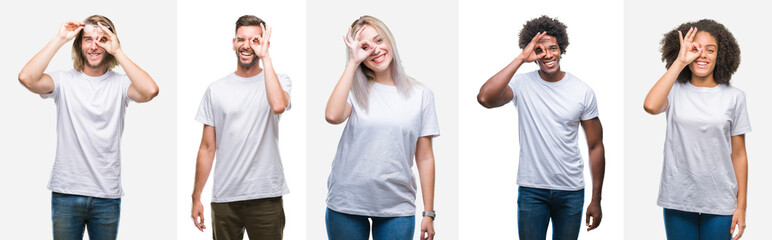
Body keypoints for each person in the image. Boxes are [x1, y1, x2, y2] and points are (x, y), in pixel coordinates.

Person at [17, 15, 159, 240]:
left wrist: (118, 52)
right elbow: (26, 77)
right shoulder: (64, 81)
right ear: (79, 44)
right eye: (88, 39)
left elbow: (150, 91)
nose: (94, 46)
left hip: (107, 196)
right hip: (66, 193)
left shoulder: (121, 84)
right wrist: (60, 38)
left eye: (102, 39)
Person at [476, 15, 606, 240]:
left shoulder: (582, 91)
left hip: (571, 191)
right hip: (532, 190)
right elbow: (485, 98)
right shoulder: (521, 84)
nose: (548, 55)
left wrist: (596, 199)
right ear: (532, 53)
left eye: (553, 48)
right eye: (540, 50)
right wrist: (520, 59)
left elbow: (596, 146)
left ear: (561, 49)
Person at [324, 15, 439, 240]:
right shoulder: (354, 88)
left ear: (390, 40)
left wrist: (429, 212)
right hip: (347, 202)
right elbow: (332, 115)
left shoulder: (421, 94)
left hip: (396, 206)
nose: (374, 50)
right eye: (364, 47)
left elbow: (425, 157)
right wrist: (352, 62)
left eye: (379, 40)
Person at [643, 19, 749, 240]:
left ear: (720, 55)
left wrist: (741, 207)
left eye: (710, 50)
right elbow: (650, 106)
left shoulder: (735, 97)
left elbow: (739, 154)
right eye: (694, 49)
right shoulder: (673, 90)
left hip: (720, 199)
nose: (702, 55)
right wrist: (680, 62)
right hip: (678, 195)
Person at [190, 15, 291, 240]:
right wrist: (196, 197)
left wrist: (266, 59)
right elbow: (207, 148)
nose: (247, 46)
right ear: (233, 42)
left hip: (266, 195)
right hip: (225, 197)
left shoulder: (279, 80)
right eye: (241, 39)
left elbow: (277, 105)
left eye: (255, 40)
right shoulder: (216, 90)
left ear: (265, 44)